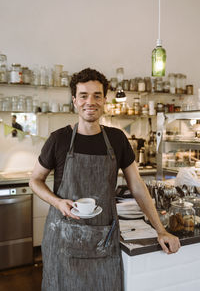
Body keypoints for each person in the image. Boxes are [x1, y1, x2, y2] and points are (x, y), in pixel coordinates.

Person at [29, 68, 180, 291]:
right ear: (74, 101)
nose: (90, 101)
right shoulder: (58, 139)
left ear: (104, 100)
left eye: (97, 95)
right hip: (63, 238)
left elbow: (137, 186)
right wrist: (58, 202)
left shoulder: (117, 139)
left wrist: (161, 230)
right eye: (83, 95)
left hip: (104, 238)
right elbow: (35, 180)